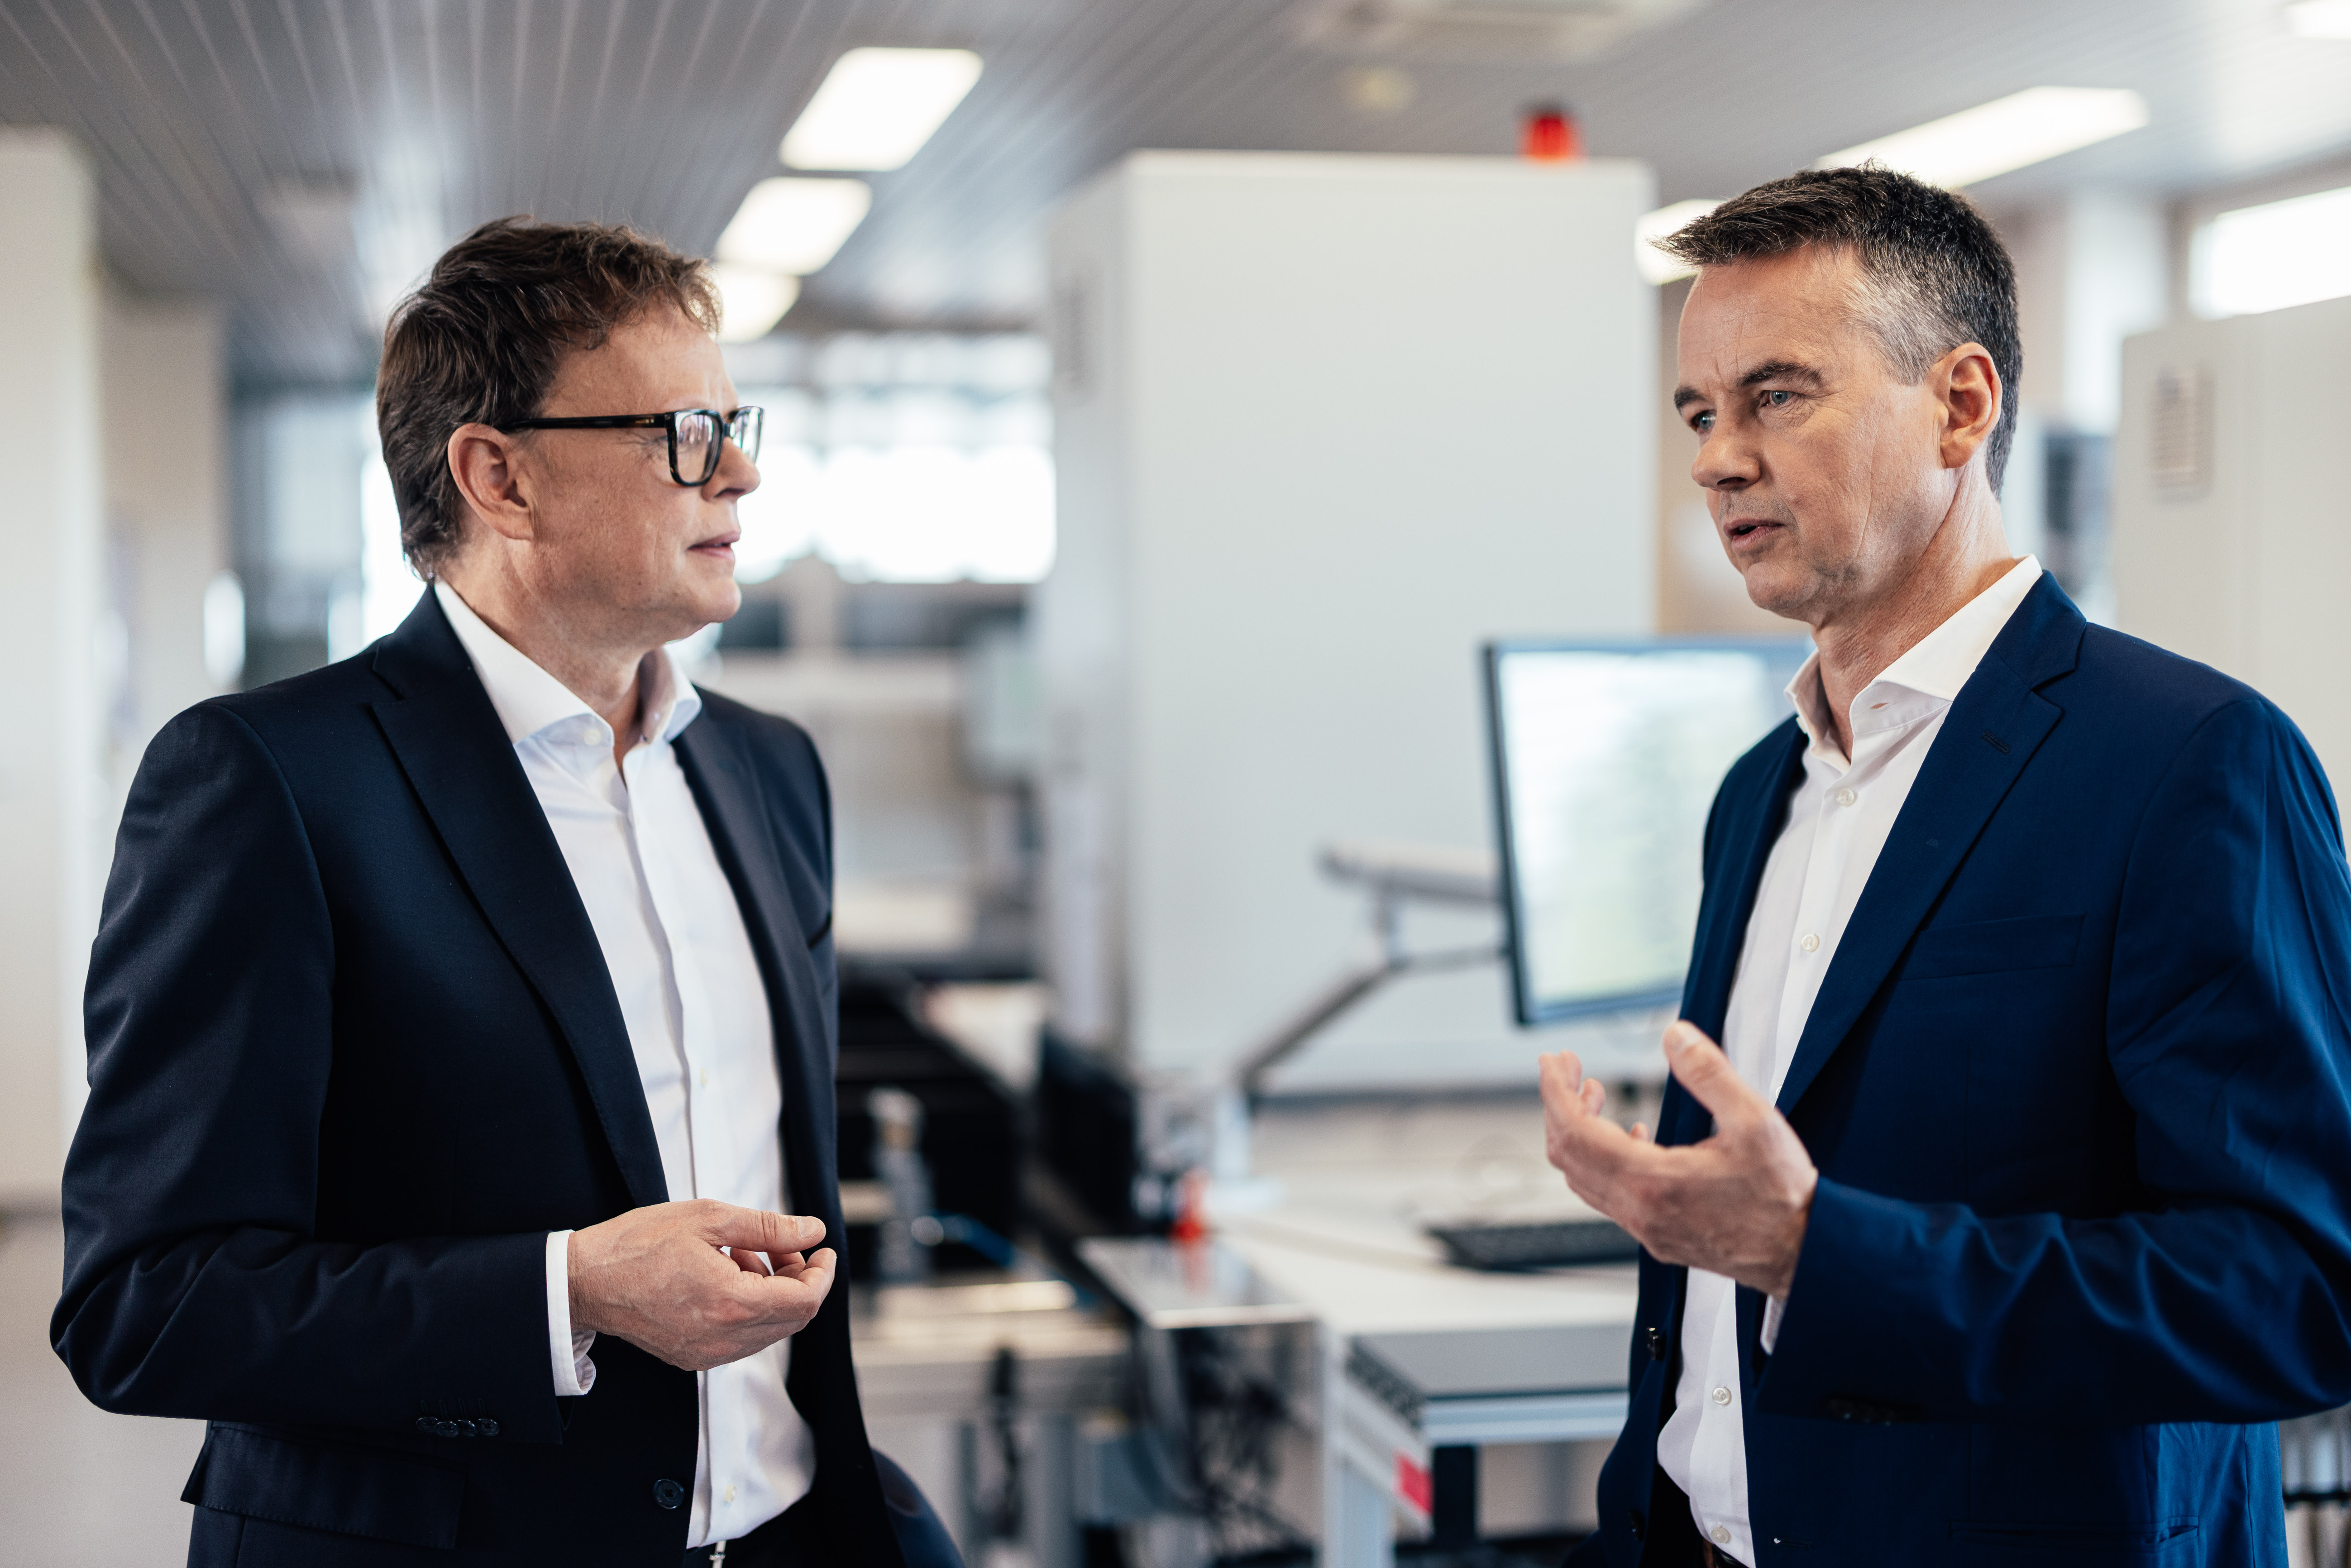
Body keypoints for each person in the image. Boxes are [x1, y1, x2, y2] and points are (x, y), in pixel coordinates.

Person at [53, 218, 960, 1568]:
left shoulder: (767, 773)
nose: (744, 471)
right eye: (685, 431)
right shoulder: (270, 784)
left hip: (784, 1530)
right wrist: (569, 1291)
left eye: (735, 420)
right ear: (499, 477)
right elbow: (149, 1304)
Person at [1548, 167, 2351, 1566]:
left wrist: (1817, 1253)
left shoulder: (2189, 761)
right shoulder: (1758, 793)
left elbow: (2294, 1293)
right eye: (1698, 410)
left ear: (1959, 406)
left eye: (1776, 396)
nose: (1714, 459)